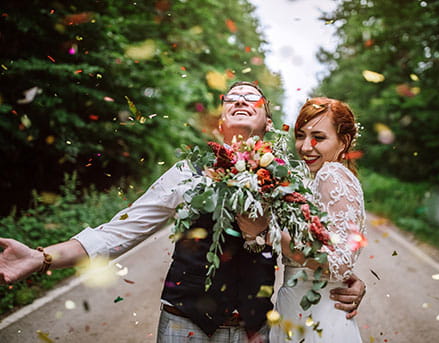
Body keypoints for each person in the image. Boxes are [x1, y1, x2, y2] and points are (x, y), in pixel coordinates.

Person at [0, 83, 366, 343]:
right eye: (231, 97)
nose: (239, 98)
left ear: (268, 123)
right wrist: (42, 256)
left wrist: (348, 281)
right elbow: (119, 231)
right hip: (184, 324)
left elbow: (325, 240)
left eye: (251, 97)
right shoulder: (187, 172)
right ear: (220, 121)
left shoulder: (292, 176)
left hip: (254, 329)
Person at [269, 97, 367, 342]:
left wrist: (271, 232)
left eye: (319, 138)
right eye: (300, 135)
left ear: (343, 141)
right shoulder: (322, 178)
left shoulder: (330, 174)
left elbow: (339, 264)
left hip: (316, 317)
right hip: (302, 309)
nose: (305, 146)